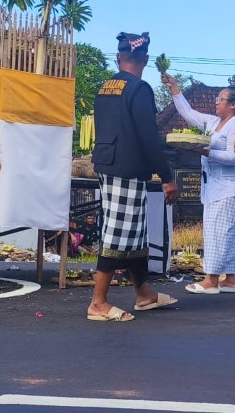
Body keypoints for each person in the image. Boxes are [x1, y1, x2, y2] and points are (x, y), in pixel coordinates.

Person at [88, 32, 179, 322]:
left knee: (134, 234)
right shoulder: (139, 89)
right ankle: (97, 303)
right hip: (126, 168)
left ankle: (144, 294)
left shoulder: (105, 87)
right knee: (117, 234)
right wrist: (166, 177)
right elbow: (148, 138)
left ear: (118, 57)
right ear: (146, 60)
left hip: (108, 163)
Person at [164, 76, 235, 294]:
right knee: (225, 232)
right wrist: (175, 88)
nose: (216, 102)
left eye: (221, 99)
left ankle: (211, 280)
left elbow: (234, 157)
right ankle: (231, 279)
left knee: (219, 232)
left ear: (233, 104)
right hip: (215, 187)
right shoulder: (213, 123)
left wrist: (204, 151)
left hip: (231, 188)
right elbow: (188, 113)